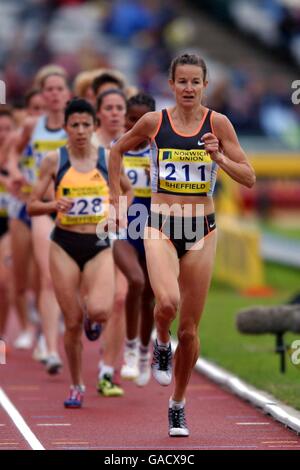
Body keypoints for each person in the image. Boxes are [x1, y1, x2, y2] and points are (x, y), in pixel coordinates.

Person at [109, 53, 256, 436]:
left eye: (195, 82)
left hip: (202, 230)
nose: (189, 88)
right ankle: (160, 342)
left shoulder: (218, 124)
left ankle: (178, 403)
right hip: (159, 225)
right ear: (171, 85)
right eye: (182, 81)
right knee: (167, 304)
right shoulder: (153, 122)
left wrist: (218, 156)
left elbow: (250, 178)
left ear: (205, 85)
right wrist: (115, 197)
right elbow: (116, 150)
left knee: (189, 330)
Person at [27, 98, 131, 408]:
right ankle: (76, 385)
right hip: (64, 244)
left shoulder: (108, 157)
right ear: (66, 128)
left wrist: (119, 213)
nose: (82, 131)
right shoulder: (53, 160)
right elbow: (32, 205)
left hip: (98, 243)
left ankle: (92, 319)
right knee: (71, 322)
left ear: (93, 126)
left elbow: (127, 190)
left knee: (100, 310)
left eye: (87, 125)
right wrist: (52, 205)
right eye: (75, 125)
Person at [17, 69, 70, 374]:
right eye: (48, 88)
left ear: (66, 93)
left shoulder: (78, 125)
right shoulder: (32, 125)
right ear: (42, 93)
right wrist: (16, 176)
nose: (52, 93)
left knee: (74, 280)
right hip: (43, 208)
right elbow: (12, 152)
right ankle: (51, 348)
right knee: (48, 277)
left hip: (76, 209)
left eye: (58, 88)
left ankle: (74, 315)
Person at [113, 93, 155, 386]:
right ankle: (128, 350)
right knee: (136, 282)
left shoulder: (160, 150)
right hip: (123, 228)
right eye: (131, 119)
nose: (135, 124)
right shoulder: (115, 149)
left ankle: (143, 352)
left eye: (141, 120)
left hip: (154, 227)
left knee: (150, 297)